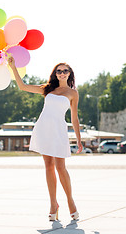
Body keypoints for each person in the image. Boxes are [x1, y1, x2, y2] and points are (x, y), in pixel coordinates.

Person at [8, 57, 83, 221]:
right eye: (59, 71)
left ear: (69, 74)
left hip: (59, 131)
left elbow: (74, 118)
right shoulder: (48, 89)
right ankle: (53, 204)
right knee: (49, 166)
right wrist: (13, 67)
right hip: (44, 128)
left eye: (65, 71)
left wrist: (78, 139)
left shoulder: (73, 93)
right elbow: (22, 86)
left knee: (61, 167)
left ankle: (71, 202)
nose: (62, 73)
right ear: (55, 74)